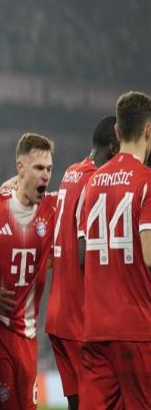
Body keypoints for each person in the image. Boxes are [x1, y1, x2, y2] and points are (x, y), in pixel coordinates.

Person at [78, 92, 151, 409]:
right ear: (149, 130)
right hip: (137, 328)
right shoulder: (146, 181)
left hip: (95, 329)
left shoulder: (92, 183)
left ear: (118, 132)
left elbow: (84, 255)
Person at [45, 116, 119, 410]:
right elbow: (83, 253)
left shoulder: (71, 172)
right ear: (113, 147)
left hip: (57, 315)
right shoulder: (95, 181)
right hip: (79, 317)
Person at [0, 133, 56, 409]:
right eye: (38, 168)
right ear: (20, 168)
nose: (45, 175)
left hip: (29, 338)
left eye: (49, 169)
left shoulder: (53, 209)